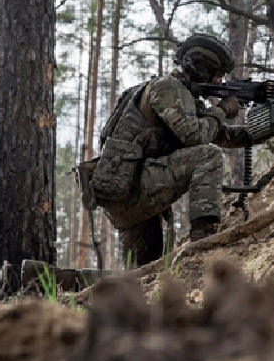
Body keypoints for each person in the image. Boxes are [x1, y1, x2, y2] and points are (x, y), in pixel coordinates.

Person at [86, 33, 252, 265]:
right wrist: (222, 110)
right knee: (209, 155)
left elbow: (220, 135)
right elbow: (198, 136)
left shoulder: (182, 97)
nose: (219, 83)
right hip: (131, 187)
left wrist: (272, 127)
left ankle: (53, 280)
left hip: (127, 193)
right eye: (216, 75)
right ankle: (203, 240)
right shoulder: (166, 88)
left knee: (144, 275)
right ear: (199, 69)